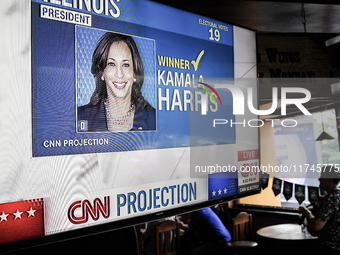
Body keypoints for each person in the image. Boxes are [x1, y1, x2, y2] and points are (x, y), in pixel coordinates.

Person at [78, 32, 156, 132]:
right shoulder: (80, 116)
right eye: (111, 64)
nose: (119, 74)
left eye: (126, 65)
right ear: (102, 73)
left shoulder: (154, 118)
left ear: (135, 73)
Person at [299, 165, 340, 254]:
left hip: (328, 248)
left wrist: (306, 212)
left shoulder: (329, 200)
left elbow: (316, 226)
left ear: (330, 180)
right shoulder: (336, 196)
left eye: (322, 176)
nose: (319, 179)